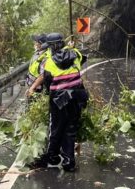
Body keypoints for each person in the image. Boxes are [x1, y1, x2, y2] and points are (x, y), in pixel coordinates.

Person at [26, 32, 88, 171]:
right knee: (70, 129)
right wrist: (71, 48)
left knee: (55, 129)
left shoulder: (50, 62)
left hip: (59, 99)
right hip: (76, 97)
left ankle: (52, 157)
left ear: (53, 46)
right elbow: (82, 60)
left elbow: (48, 82)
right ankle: (69, 163)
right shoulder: (76, 54)